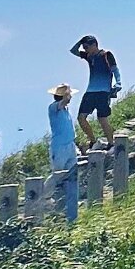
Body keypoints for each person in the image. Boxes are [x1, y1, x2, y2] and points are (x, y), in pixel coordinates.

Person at [70, 36, 120, 147]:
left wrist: (118, 83)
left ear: (94, 45)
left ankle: (111, 143)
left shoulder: (106, 55)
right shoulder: (89, 56)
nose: (85, 49)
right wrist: (81, 41)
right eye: (84, 47)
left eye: (87, 47)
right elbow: (73, 51)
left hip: (103, 91)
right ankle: (92, 141)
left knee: (102, 118)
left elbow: (115, 70)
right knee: (81, 118)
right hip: (90, 92)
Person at [48, 85, 80, 225]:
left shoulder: (66, 110)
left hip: (70, 145)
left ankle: (71, 216)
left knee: (72, 176)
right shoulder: (54, 107)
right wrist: (67, 92)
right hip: (59, 147)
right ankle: (42, 194)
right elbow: (64, 102)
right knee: (58, 176)